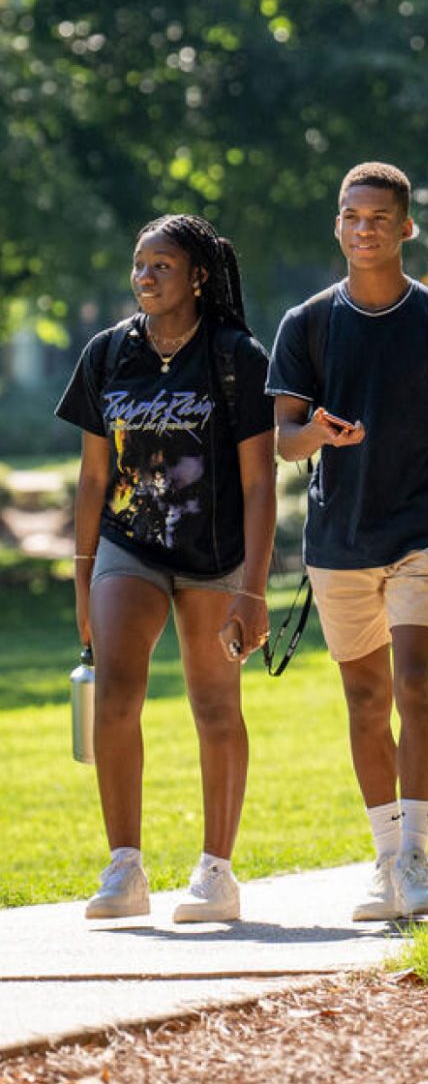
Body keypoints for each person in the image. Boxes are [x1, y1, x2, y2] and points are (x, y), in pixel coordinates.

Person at [267, 161, 428, 920]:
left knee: (416, 683)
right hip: (339, 537)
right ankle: (384, 860)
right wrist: (315, 432)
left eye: (379, 217)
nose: (365, 229)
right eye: (352, 216)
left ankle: (416, 855)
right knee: (366, 697)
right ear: (337, 225)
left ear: (406, 227)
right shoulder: (307, 323)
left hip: (425, 529)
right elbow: (282, 438)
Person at [56, 215, 276, 922]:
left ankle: (216, 874)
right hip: (131, 544)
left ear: (198, 276)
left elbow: (260, 483)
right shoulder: (107, 353)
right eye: (139, 264)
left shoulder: (235, 356)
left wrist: (252, 590)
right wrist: (84, 578)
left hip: (214, 553)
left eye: (162, 266)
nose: (145, 277)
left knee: (214, 704)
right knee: (117, 692)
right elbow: (94, 478)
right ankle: (125, 868)